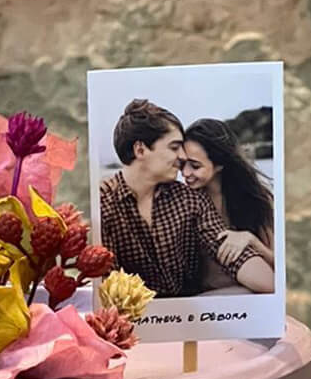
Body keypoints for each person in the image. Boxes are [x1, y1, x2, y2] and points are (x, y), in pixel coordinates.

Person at [99, 99, 270, 298]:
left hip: (194, 312)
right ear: (140, 150)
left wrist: (269, 284)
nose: (182, 156)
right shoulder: (103, 204)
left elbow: (237, 258)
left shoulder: (190, 200)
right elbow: (107, 289)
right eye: (174, 147)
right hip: (134, 315)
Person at [180, 118, 276, 291]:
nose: (185, 173)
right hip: (205, 300)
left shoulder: (254, 199)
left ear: (220, 165)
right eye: (182, 164)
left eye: (195, 166)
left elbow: (280, 266)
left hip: (251, 294)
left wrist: (251, 240)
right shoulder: (184, 203)